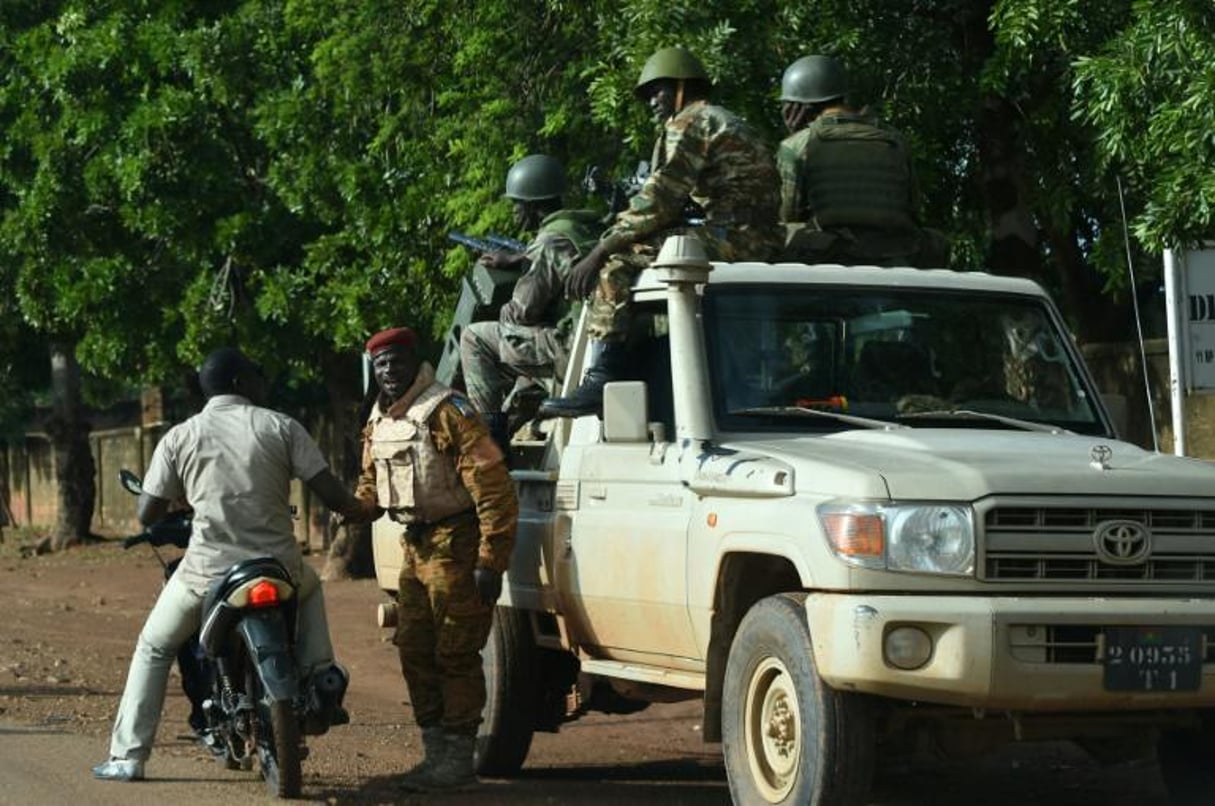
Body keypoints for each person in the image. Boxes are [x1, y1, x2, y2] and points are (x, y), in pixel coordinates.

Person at [92, 347, 364, 782]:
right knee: (311, 586)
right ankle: (319, 675)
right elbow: (332, 494)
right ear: (239, 382)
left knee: (154, 646)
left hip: (207, 574)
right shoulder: (281, 425)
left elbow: (147, 514)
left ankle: (128, 757)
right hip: (280, 568)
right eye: (255, 375)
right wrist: (362, 508)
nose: (261, 382)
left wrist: (178, 498)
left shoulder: (181, 436)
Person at [538, 46, 784, 419]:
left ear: (682, 88)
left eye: (659, 91)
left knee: (616, 264)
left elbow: (661, 198)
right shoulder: (727, 120)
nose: (653, 102)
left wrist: (599, 249)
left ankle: (602, 379)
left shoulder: (690, 121)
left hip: (734, 238)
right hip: (759, 237)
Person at [342, 326, 517, 792]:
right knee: (415, 650)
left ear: (413, 359)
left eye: (396, 361)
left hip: (456, 544)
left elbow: (493, 485)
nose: (389, 372)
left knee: (456, 653)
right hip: (415, 547)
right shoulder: (379, 419)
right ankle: (436, 756)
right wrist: (346, 506)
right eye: (380, 365)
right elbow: (370, 489)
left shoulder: (447, 411)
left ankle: (458, 762)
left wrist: (490, 560)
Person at [459, 154, 601, 447]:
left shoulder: (548, 241)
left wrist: (509, 298)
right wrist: (523, 257)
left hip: (572, 349)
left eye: (517, 205)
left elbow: (521, 313)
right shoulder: (584, 228)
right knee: (526, 368)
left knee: (475, 338)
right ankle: (513, 429)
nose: (513, 213)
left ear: (534, 206)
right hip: (597, 344)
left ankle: (489, 440)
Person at [776, 54, 948, 267]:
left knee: (774, 235)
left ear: (801, 107)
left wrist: (794, 136)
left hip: (828, 256)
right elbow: (913, 209)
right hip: (898, 252)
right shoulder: (894, 139)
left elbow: (787, 215)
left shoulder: (797, 145)